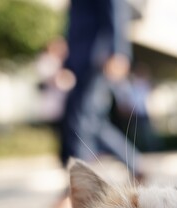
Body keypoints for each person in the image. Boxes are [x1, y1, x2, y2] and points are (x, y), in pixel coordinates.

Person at [60, 0, 144, 179]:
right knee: (92, 121)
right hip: (82, 61)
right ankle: (136, 165)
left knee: (81, 121)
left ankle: (77, 186)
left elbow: (116, 9)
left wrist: (118, 51)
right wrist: (67, 64)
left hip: (98, 58)